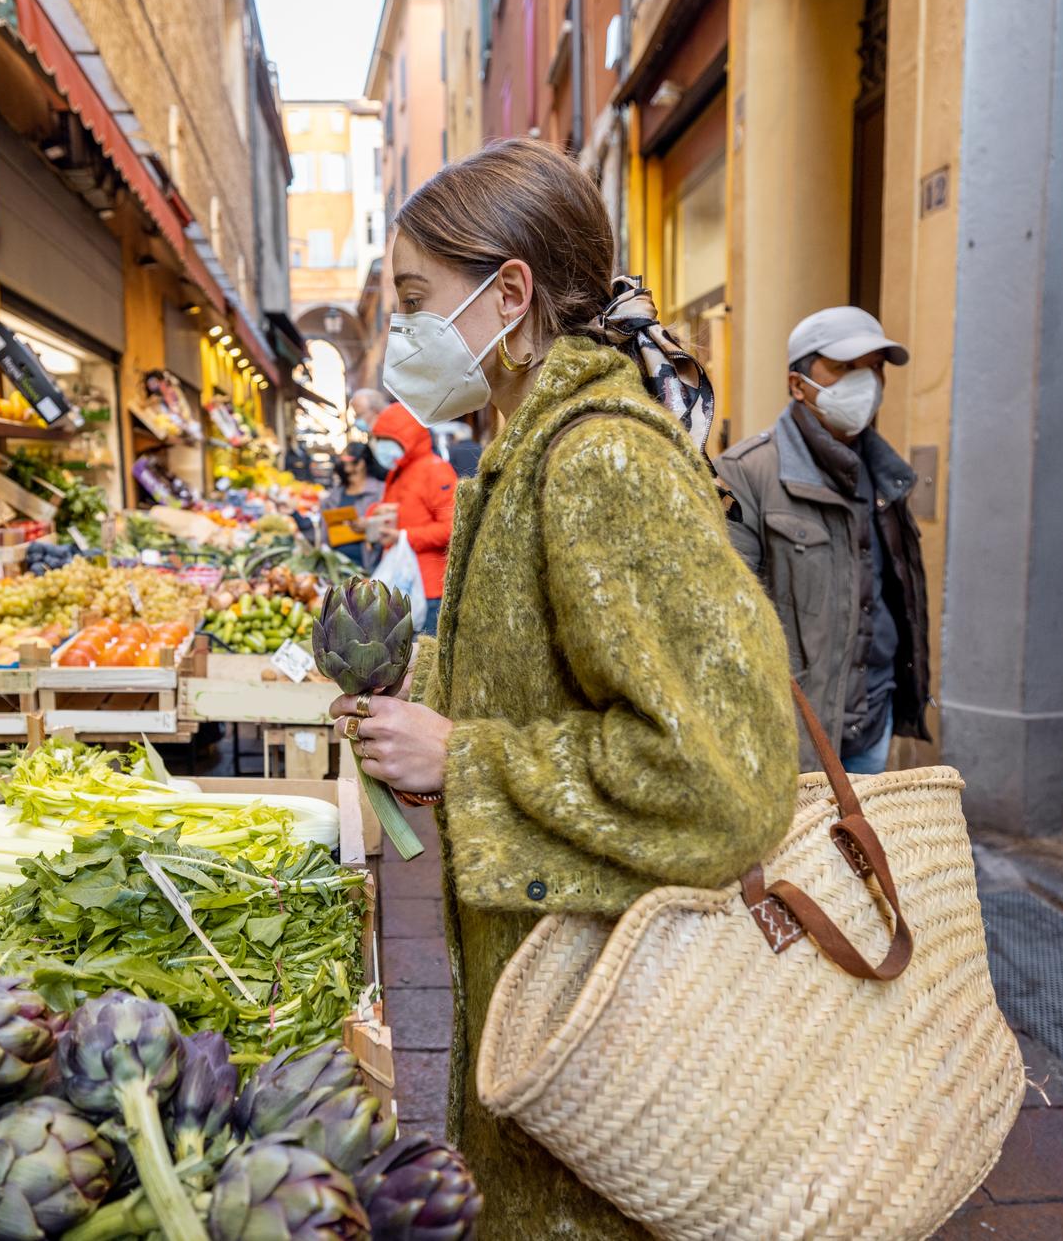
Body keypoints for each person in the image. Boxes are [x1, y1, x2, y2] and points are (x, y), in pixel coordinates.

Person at [329, 139, 795, 1238]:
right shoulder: (524, 446)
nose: (399, 335)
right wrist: (415, 685)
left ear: (508, 292)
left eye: (411, 299)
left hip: (610, 1041)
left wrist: (463, 758)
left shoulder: (597, 459)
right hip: (559, 1020)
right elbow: (541, 669)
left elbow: (719, 781)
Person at [715, 306, 931, 776]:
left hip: (873, 721)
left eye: (874, 368)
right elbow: (728, 622)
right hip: (795, 742)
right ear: (798, 384)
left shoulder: (886, 476)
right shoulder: (746, 473)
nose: (866, 382)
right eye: (845, 367)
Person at [365, 402, 457, 636]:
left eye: (387, 440)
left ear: (407, 439)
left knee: (423, 655)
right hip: (401, 581)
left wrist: (403, 536)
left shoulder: (436, 470)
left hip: (429, 588)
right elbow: (397, 507)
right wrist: (373, 517)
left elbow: (453, 528)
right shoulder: (398, 471)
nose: (380, 447)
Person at [323, 441, 382, 569]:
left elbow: (391, 523)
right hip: (336, 566)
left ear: (361, 463)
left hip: (368, 566)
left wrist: (369, 525)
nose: (341, 461)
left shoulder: (379, 491)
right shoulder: (336, 493)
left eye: (346, 458)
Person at [348, 386, 391, 481]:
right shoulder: (372, 439)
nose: (356, 420)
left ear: (375, 411)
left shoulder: (393, 437)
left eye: (359, 414)